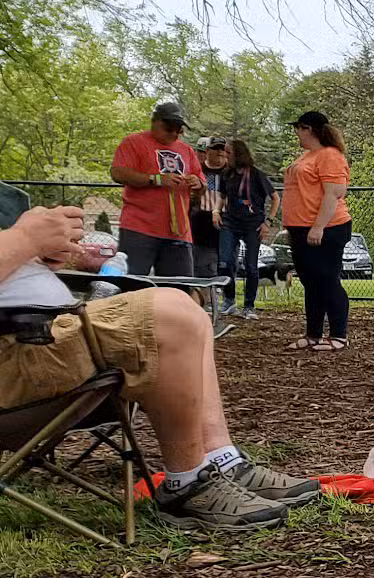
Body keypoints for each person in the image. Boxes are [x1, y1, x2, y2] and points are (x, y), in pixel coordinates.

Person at [0, 202, 320, 529]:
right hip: (16, 351)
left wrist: (36, 256)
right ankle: (188, 484)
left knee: (187, 310)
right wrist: (25, 237)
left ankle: (221, 460)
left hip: (37, 334)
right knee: (170, 315)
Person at [282, 111, 353, 351]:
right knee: (311, 282)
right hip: (301, 228)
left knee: (327, 280)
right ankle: (313, 333)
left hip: (327, 228)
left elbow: (334, 193)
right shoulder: (307, 156)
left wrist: (318, 226)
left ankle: (339, 335)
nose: (296, 134)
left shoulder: (330, 156)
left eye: (298, 129)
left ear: (307, 128)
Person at [108, 101, 201, 277]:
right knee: (131, 284)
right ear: (155, 122)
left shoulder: (187, 151)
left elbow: (201, 185)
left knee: (179, 289)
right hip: (139, 229)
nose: (174, 133)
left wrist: (198, 183)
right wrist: (156, 179)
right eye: (169, 128)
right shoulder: (133, 142)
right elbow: (118, 173)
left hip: (179, 233)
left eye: (178, 130)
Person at [215, 138, 277, 319]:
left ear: (238, 154)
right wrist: (216, 211)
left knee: (251, 266)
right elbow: (222, 195)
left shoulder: (257, 175)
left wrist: (268, 222)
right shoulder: (226, 174)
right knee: (225, 261)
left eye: (229, 153)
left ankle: (249, 306)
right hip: (230, 222)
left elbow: (275, 198)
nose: (225, 156)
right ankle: (229, 300)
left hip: (253, 225)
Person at [191, 138, 226, 288]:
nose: (219, 152)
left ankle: (227, 299)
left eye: (222, 149)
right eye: (215, 149)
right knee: (204, 265)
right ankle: (203, 296)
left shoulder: (232, 172)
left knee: (227, 264)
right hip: (201, 225)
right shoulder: (197, 171)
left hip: (227, 224)